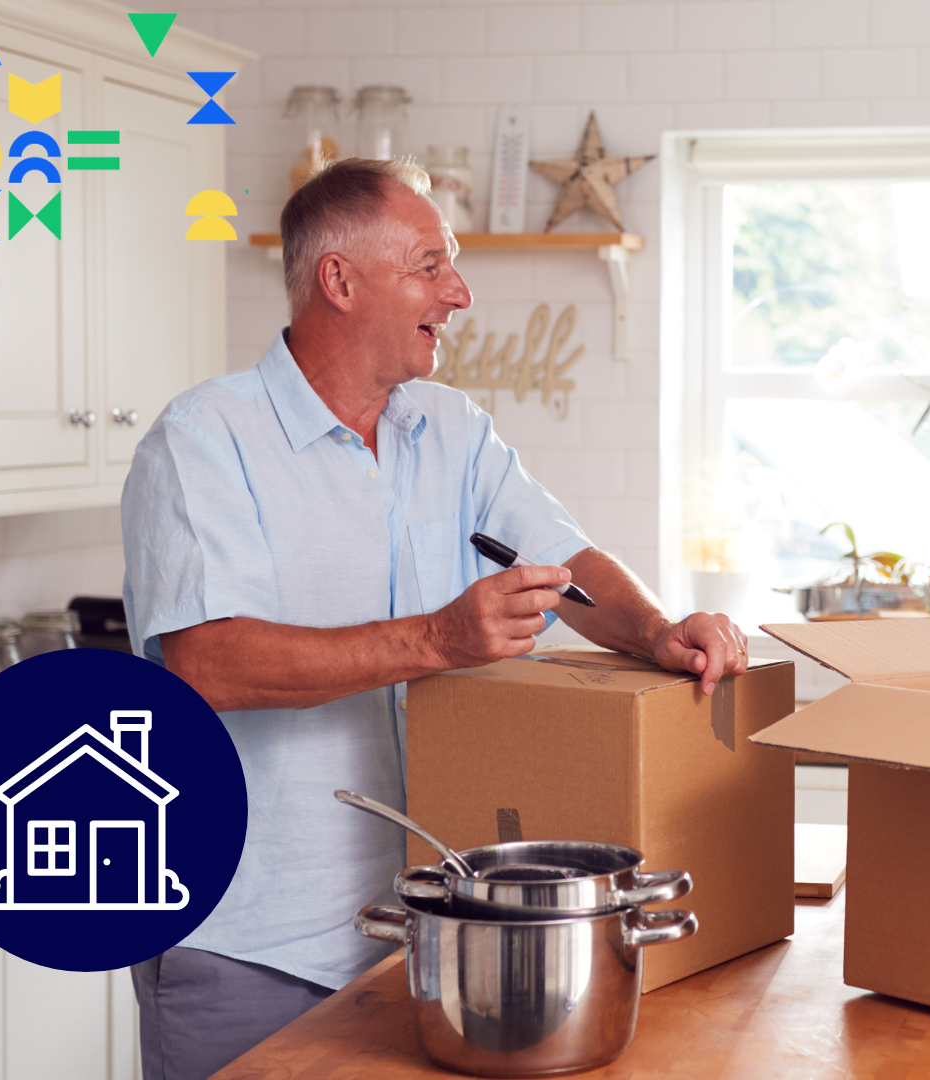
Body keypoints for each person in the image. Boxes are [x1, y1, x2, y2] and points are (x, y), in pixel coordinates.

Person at [120, 157, 749, 1080]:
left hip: (416, 935)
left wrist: (655, 630)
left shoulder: (450, 431)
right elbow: (210, 664)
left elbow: (564, 560)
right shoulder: (201, 443)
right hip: (244, 944)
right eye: (429, 265)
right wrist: (438, 639)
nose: (457, 292)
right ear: (339, 280)